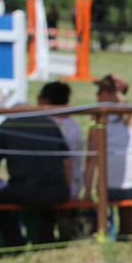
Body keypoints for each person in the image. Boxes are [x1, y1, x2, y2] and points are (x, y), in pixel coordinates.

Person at [0, 106, 72, 247]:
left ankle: (16, 243)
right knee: (47, 209)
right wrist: (68, 190)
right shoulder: (50, 123)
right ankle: (45, 242)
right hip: (56, 190)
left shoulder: (7, 125)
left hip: (25, 190)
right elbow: (67, 162)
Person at [83, 74, 132, 241]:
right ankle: (129, 234)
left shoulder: (98, 120)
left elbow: (91, 160)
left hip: (108, 190)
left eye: (102, 90)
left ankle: (110, 231)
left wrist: (86, 192)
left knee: (110, 189)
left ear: (113, 94)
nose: (97, 95)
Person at [39, 82, 86, 239]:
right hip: (73, 181)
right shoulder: (72, 123)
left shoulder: (50, 124)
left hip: (59, 185)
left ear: (45, 100)